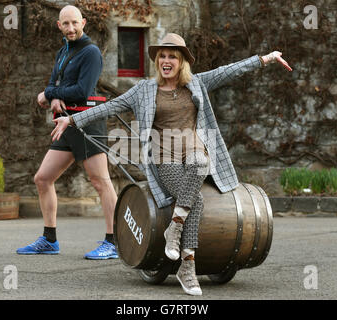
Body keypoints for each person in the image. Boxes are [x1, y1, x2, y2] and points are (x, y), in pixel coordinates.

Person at [51, 33, 292, 295]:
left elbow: (228, 71)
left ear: (181, 62)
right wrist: (72, 121)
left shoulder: (196, 84)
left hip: (193, 149)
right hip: (165, 156)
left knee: (201, 161)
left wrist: (265, 59)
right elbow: (111, 107)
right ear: (158, 61)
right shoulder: (144, 90)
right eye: (162, 56)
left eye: (172, 57)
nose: (166, 61)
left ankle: (175, 227)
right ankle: (187, 267)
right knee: (195, 202)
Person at [16, 5, 119, 260]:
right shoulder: (63, 52)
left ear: (83, 22)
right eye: (66, 24)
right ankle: (49, 240)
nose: (71, 28)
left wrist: (49, 94)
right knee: (42, 178)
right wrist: (52, 96)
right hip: (65, 123)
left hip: (87, 123)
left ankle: (114, 242)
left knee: (100, 181)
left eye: (75, 23)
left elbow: (82, 91)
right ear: (59, 26)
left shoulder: (91, 52)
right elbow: (55, 83)